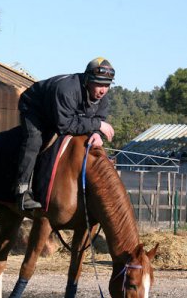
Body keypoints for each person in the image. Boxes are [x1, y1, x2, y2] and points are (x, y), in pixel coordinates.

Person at [15, 57, 116, 211]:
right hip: (34, 108)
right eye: (99, 84)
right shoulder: (67, 90)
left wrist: (96, 133)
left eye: (107, 85)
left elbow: (98, 119)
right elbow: (65, 126)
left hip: (60, 113)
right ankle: (21, 191)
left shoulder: (102, 98)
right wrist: (98, 125)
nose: (103, 90)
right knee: (34, 141)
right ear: (88, 79)